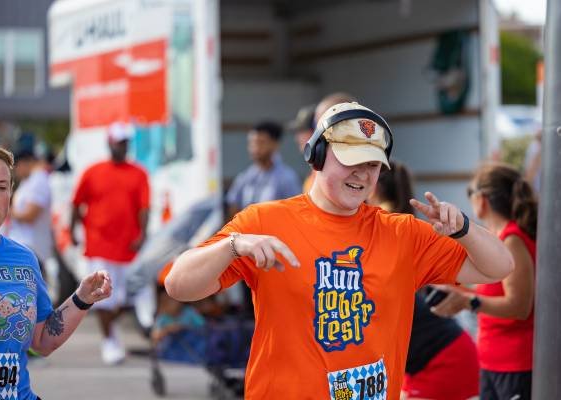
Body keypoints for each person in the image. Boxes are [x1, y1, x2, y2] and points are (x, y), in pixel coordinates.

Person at [165, 102, 513, 399]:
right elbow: (178, 285)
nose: (361, 174)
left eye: (372, 165)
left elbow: (498, 267)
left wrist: (464, 229)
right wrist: (234, 246)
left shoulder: (402, 233)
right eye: (350, 160)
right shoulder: (264, 221)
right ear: (316, 156)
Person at [0, 146, 112, 400]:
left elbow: (42, 341)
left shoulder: (24, 260)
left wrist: (82, 298)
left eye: (1, 187)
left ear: (11, 193)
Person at [368, 161, 479, 400]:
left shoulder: (386, 231)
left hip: (444, 359)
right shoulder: (395, 228)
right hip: (431, 356)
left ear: (373, 187)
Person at [430, 162, 537, 400]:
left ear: (482, 200)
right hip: (494, 361)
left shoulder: (512, 240)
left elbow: (519, 306)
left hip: (514, 363)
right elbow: (493, 294)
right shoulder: (501, 240)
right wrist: (458, 291)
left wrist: (468, 301)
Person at [70, 122, 150, 365]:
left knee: (126, 297)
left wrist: (142, 234)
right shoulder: (93, 172)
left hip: (127, 247)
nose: (121, 147)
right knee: (101, 296)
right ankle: (109, 342)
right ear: (109, 143)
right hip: (99, 245)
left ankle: (112, 335)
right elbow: (76, 203)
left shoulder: (138, 173)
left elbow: (144, 207)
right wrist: (73, 229)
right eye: (118, 142)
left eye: (125, 143)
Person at [225, 121, 301, 218]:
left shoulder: (287, 178)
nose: (255, 148)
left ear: (275, 144)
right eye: (252, 143)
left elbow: (295, 213)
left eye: (261, 142)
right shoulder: (245, 176)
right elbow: (233, 206)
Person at [8, 141, 53, 269]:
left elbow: (30, 215)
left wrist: (7, 212)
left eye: (16, 166)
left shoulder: (38, 181)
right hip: (23, 245)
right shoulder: (29, 180)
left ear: (24, 163)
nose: (15, 171)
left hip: (32, 248)